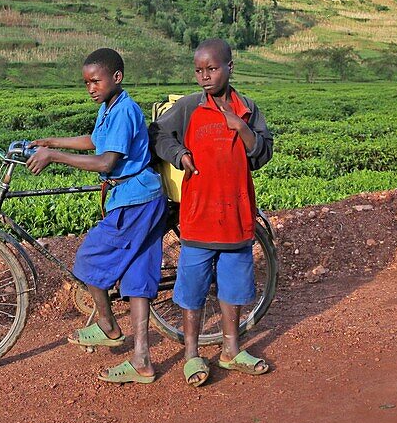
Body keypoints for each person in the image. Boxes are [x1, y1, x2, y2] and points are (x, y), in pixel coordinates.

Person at [25, 48, 167, 384]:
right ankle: (142, 361)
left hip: (135, 201)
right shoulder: (110, 107)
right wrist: (53, 140)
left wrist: (54, 156)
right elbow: (96, 141)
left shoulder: (124, 111)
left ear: (116, 78)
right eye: (86, 82)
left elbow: (106, 163)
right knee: (137, 280)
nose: (90, 87)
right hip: (139, 198)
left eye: (95, 80)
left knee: (88, 260)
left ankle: (107, 326)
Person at [151, 38, 274, 386]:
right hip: (198, 217)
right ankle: (192, 354)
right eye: (199, 70)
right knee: (193, 290)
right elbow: (157, 134)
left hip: (235, 216)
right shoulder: (189, 107)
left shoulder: (247, 108)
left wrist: (244, 130)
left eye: (212, 68)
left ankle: (231, 349)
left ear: (230, 67)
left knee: (233, 289)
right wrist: (178, 154)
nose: (204, 76)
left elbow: (263, 154)